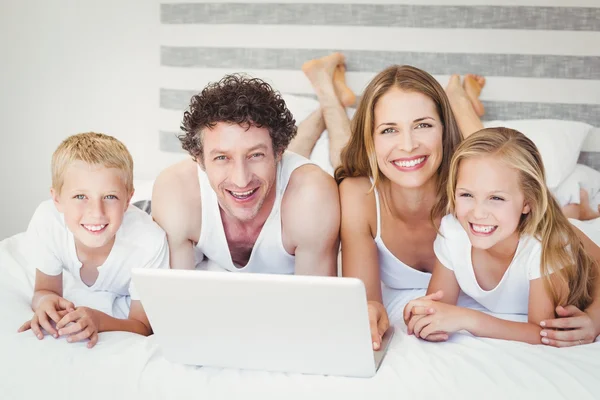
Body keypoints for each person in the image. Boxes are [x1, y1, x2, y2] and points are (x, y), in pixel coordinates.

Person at [403, 127, 600, 345]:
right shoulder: (453, 232)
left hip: (557, 235)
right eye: (467, 195)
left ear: (527, 202)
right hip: (536, 222)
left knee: (567, 231)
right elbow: (438, 307)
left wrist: (594, 318)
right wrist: (421, 313)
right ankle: (576, 210)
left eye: (496, 198)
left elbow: (542, 332)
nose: (477, 213)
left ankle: (581, 211)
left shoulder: (542, 246)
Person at [151, 74, 339, 276]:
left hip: (294, 180)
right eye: (222, 158)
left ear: (279, 152)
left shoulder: (313, 195)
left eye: (256, 155)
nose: (241, 180)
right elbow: (177, 295)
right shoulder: (175, 190)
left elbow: (313, 302)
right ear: (199, 158)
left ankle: (331, 98)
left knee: (345, 165)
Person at [18, 132, 169, 348]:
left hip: (144, 213)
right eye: (81, 197)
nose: (96, 213)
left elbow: (142, 326)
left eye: (110, 197)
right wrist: (45, 302)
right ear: (57, 200)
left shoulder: (149, 241)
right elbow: (44, 291)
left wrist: (99, 320)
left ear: (127, 200)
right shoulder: (47, 220)